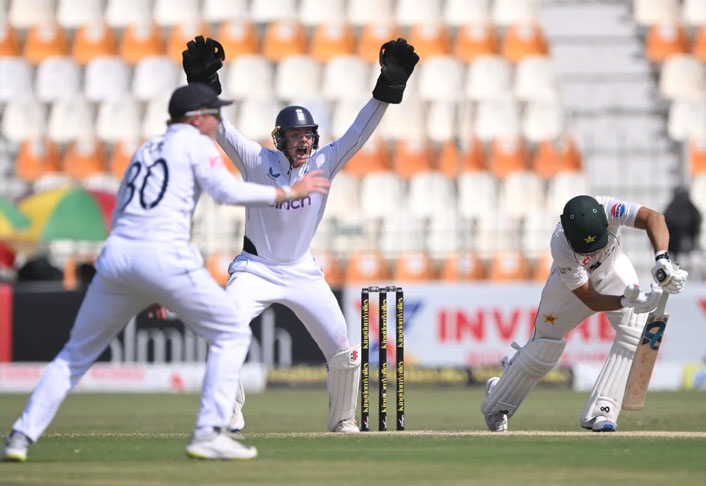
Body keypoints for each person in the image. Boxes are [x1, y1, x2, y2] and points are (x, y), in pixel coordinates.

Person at [1, 83, 330, 462]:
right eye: (213, 113)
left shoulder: (145, 150)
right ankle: (209, 432)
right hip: (163, 254)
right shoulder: (194, 143)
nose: (217, 121)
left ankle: (20, 437)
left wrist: (149, 287)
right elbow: (227, 193)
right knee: (232, 332)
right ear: (195, 119)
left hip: (118, 256)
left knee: (74, 355)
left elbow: (125, 211)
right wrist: (288, 193)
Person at [181, 35, 419, 432]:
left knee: (344, 353)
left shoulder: (325, 161)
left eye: (308, 135)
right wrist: (201, 86)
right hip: (254, 270)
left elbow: (360, 130)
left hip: (302, 271)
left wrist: (387, 88)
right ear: (281, 140)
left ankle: (343, 419)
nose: (304, 142)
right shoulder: (257, 161)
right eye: (296, 136)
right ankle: (229, 409)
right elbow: (219, 129)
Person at [481, 195, 688, 432]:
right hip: (572, 290)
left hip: (613, 271)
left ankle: (603, 410)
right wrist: (625, 301)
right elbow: (591, 299)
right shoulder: (560, 245)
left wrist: (662, 259)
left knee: (636, 330)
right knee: (541, 351)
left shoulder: (610, 208)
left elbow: (654, 218)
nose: (595, 249)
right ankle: (498, 402)